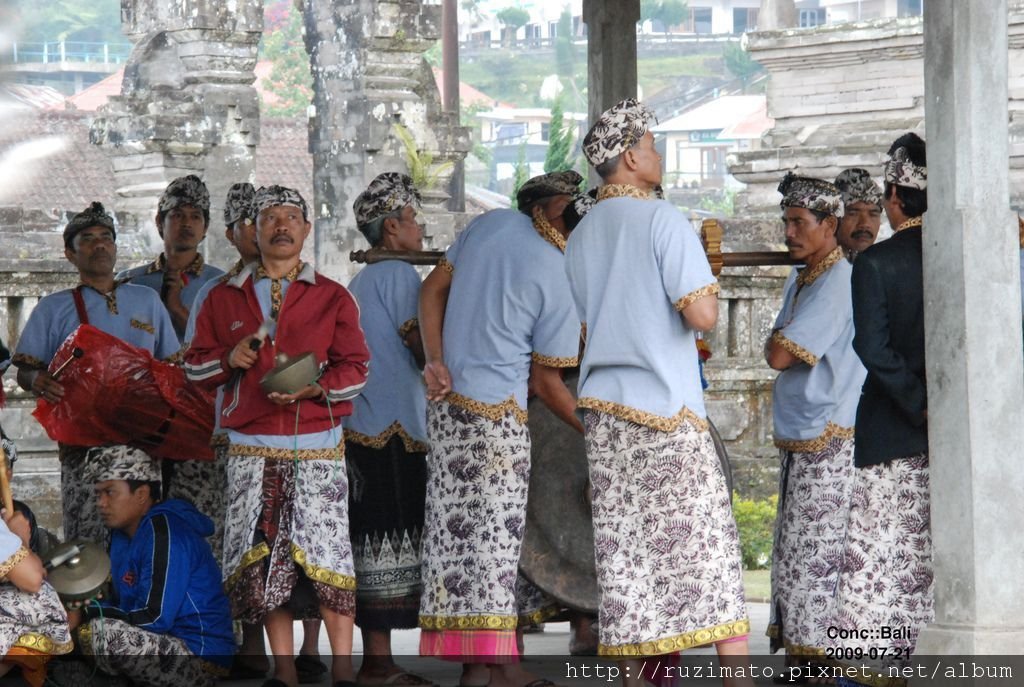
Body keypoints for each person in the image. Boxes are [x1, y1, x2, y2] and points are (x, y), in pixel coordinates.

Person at [563, 98, 750, 687]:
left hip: (605, 419)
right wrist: (705, 278)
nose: (658, 153)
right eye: (650, 143)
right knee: (707, 553)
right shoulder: (663, 220)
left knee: (628, 563)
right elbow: (702, 314)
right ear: (629, 156)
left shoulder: (582, 233)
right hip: (665, 415)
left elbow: (584, 324)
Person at [185, 185, 369, 687]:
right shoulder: (221, 297)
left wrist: (318, 388)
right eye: (270, 219)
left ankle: (344, 673)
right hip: (251, 447)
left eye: (292, 217)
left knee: (329, 560)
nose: (282, 226)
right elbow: (195, 370)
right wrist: (229, 359)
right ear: (254, 231)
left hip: (317, 446)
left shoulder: (333, 295)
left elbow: (357, 369)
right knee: (265, 562)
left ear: (306, 230)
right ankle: (284, 672)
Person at [418, 170, 585, 687]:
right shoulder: (557, 270)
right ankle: (496, 671)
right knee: (493, 551)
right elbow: (549, 379)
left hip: (447, 412)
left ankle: (489, 667)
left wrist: (435, 360)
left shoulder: (488, 226)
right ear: (560, 213)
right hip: (497, 428)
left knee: (457, 547)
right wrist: (591, 429)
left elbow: (430, 291)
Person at [12, 202, 179, 544]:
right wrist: (38, 381)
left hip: (141, 443)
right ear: (70, 255)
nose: (99, 245)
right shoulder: (53, 307)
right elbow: (24, 372)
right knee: (88, 544)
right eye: (87, 239)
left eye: (106, 237)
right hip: (83, 447)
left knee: (144, 537)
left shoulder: (146, 299)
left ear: (116, 248)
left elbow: (172, 368)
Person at [830, 132, 931, 681]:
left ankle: (869, 671)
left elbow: (873, 347)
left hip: (894, 433)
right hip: (959, 440)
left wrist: (918, 405)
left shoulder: (876, 263)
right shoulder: (960, 256)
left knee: (879, 559)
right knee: (934, 559)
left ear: (893, 197)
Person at [763, 174, 865, 664]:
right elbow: (779, 348)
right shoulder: (804, 275)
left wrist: (777, 339)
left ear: (829, 225)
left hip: (829, 433)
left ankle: (819, 661)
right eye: (786, 222)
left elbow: (780, 354)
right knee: (794, 548)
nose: (789, 233)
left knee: (818, 554)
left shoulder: (838, 279)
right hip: (803, 433)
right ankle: (801, 656)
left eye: (799, 222)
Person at [345, 173, 434, 687]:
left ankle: (379, 658)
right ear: (393, 226)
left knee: (374, 537)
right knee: (387, 537)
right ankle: (377, 662)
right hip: (393, 429)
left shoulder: (363, 280)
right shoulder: (400, 276)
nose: (420, 230)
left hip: (367, 425)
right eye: (414, 220)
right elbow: (421, 346)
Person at [68, 445, 234, 687]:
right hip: (160, 642)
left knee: (102, 634)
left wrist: (86, 612)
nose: (101, 503)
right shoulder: (122, 534)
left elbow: (155, 617)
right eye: (98, 495)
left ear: (142, 494)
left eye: (110, 492)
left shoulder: (164, 530)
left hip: (197, 655)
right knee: (66, 668)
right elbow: (119, 601)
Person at [118, 174, 225, 342]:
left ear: (205, 227)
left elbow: (221, 345)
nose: (187, 223)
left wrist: (176, 307)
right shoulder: (129, 282)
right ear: (160, 221)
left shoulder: (222, 284)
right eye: (178, 215)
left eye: (195, 216)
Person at [833, 168, 883, 260]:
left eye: (873, 214)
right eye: (853, 214)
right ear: (833, 219)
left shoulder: (884, 266)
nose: (864, 224)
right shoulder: (814, 268)